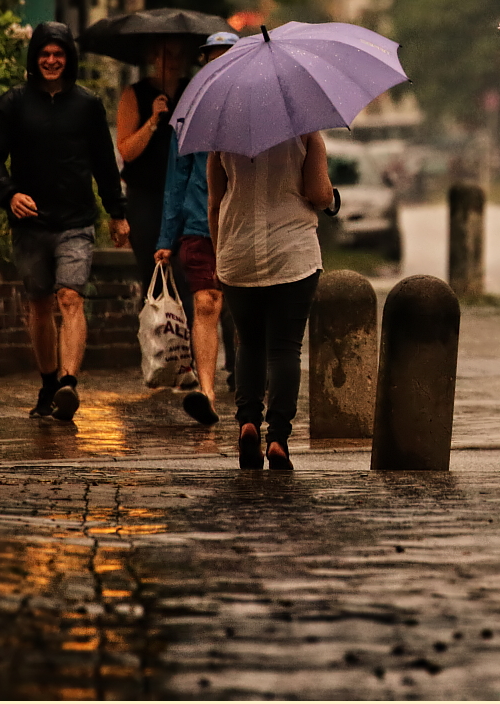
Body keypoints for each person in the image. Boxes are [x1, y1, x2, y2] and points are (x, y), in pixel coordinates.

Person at [0, 22, 129, 423]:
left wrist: (117, 212)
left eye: (58, 54)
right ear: (34, 58)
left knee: (70, 297)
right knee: (39, 304)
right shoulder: (13, 104)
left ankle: (69, 383)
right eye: (44, 54)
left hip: (76, 220)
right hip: (30, 223)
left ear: (69, 59)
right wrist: (9, 193)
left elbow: (103, 162)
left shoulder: (87, 105)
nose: (51, 60)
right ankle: (48, 385)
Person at [209, 130, 336, 469]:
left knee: (248, 343)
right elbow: (319, 194)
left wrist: (218, 255)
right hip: (292, 255)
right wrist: (332, 197)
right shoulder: (307, 133)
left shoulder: (222, 135)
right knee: (284, 349)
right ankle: (278, 438)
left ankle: (248, 422)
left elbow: (214, 204)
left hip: (237, 253)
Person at [154, 32, 238, 425]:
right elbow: (175, 178)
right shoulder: (187, 113)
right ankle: (206, 392)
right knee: (206, 303)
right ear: (204, 63)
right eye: (212, 59)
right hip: (199, 222)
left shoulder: (255, 110)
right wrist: (165, 238)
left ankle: (249, 385)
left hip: (244, 225)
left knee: (243, 310)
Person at [117, 34, 191, 292]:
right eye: (167, 53)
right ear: (153, 57)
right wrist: (152, 121)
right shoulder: (136, 94)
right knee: (154, 275)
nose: (174, 61)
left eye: (180, 54)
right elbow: (127, 150)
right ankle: (156, 330)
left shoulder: (192, 91)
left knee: (185, 275)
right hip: (146, 197)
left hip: (185, 196)